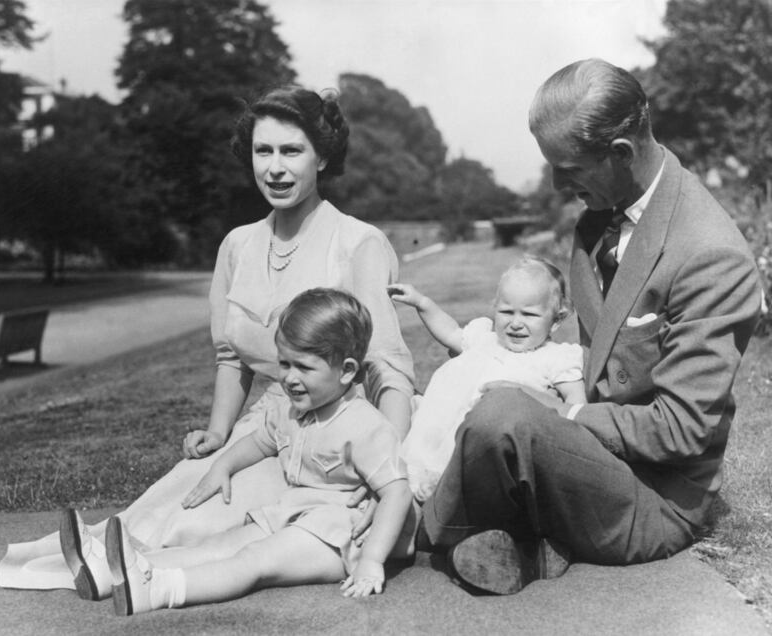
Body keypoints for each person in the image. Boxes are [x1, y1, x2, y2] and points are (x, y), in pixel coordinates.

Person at [0, 86, 415, 597]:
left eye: (292, 151)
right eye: (264, 152)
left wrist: (382, 474)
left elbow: (387, 369)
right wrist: (219, 434)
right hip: (267, 422)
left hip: (332, 434)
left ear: (323, 156)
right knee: (182, 490)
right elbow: (230, 358)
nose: (276, 168)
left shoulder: (357, 242)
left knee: (205, 518)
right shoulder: (238, 245)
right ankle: (108, 558)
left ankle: (136, 573)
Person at [418, 58, 763, 596]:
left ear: (621, 153)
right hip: (591, 454)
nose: (557, 184)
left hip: (652, 495)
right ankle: (520, 538)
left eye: (568, 168)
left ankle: (412, 527)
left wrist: (565, 413)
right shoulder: (601, 218)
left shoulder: (711, 255)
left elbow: (682, 429)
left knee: (502, 415)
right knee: (472, 393)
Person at [64, 288, 413, 615]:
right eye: (284, 364)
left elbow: (396, 492)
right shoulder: (294, 409)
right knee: (220, 545)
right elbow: (261, 441)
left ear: (347, 371)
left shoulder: (365, 426)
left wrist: (372, 559)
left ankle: (158, 591)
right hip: (294, 513)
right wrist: (224, 466)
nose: (290, 378)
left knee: (254, 560)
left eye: (304, 367)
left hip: (341, 537)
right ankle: (111, 576)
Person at [388, 255, 585, 502]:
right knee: (415, 440)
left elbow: (576, 405)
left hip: (489, 446)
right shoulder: (485, 339)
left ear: (556, 320)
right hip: (441, 427)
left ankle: (446, 486)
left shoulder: (556, 358)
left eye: (529, 315)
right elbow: (450, 332)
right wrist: (421, 302)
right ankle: (410, 481)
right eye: (505, 311)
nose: (515, 323)